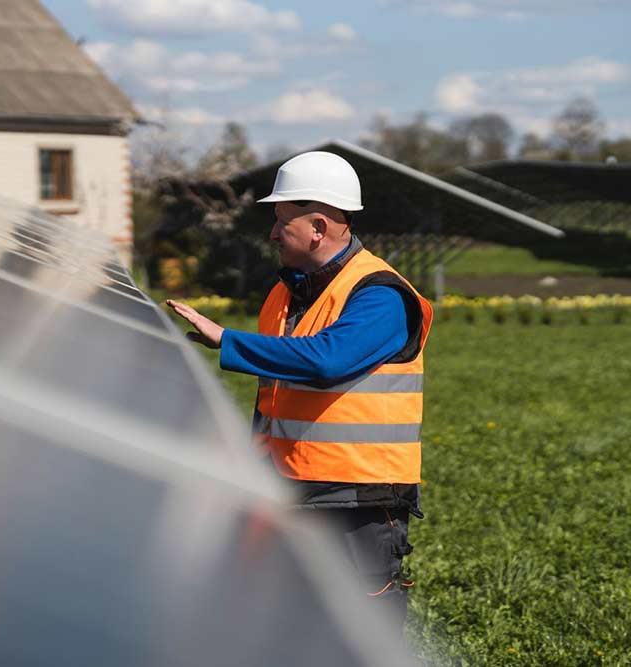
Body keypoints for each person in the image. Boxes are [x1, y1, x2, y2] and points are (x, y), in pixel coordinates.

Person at [167, 151, 433, 629]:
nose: (271, 235)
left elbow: (326, 360)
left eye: (281, 222)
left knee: (362, 631)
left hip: (358, 497)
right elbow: (275, 395)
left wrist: (226, 340)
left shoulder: (381, 295)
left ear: (318, 226)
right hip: (289, 486)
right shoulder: (286, 291)